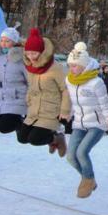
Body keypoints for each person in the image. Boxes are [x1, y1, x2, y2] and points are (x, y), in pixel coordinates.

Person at [64, 42, 108, 198]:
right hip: (79, 123)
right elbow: (72, 101)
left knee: (82, 152)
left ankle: (88, 179)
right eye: (70, 65)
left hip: (97, 124)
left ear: (84, 66)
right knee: (71, 156)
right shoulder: (69, 80)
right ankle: (89, 179)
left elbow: (105, 104)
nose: (72, 69)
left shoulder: (96, 82)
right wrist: (67, 113)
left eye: (75, 66)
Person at [19, 28, 71, 156]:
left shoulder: (55, 68)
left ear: (42, 52)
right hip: (34, 110)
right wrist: (28, 100)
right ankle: (52, 140)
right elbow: (31, 87)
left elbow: (65, 89)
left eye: (34, 54)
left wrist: (65, 110)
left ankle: (56, 138)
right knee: (22, 138)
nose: (31, 57)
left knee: (35, 139)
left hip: (50, 110)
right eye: (28, 54)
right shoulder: (30, 68)